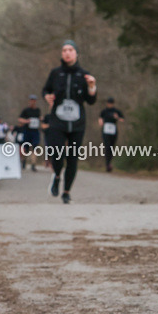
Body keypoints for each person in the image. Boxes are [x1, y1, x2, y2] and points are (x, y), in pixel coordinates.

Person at [42, 40, 98, 203]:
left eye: (70, 50)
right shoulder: (55, 73)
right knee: (57, 153)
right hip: (58, 121)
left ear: (76, 53)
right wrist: (47, 96)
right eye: (64, 50)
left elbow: (91, 100)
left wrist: (92, 86)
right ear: (61, 54)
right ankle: (57, 175)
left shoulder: (84, 75)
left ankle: (66, 192)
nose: (67, 52)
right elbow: (46, 89)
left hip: (77, 123)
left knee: (72, 158)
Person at [98, 97, 125, 172]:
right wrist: (100, 122)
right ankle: (107, 164)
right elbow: (100, 119)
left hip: (113, 130)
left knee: (112, 147)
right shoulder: (104, 111)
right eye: (108, 103)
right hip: (106, 130)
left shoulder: (116, 111)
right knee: (107, 146)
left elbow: (122, 119)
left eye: (111, 103)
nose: (109, 104)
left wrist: (117, 118)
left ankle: (109, 162)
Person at [18, 95, 43, 171]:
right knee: (26, 148)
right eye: (31, 100)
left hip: (35, 131)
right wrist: (26, 121)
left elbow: (40, 118)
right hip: (27, 131)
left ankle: (33, 164)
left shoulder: (38, 110)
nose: (32, 101)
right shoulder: (26, 110)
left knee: (35, 148)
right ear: (29, 101)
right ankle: (24, 161)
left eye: (34, 100)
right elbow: (19, 119)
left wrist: (41, 119)